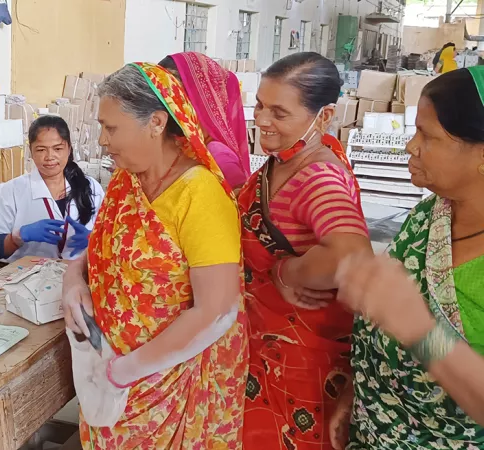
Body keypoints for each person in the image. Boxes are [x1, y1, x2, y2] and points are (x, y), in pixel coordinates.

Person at [62, 63, 247, 449]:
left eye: (111, 128)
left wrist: (124, 372)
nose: (101, 140)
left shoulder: (200, 195)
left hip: (170, 387)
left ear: (157, 123)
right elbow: (100, 248)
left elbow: (217, 311)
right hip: (110, 375)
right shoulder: (127, 182)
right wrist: (73, 280)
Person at [330, 67, 484, 449]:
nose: (410, 146)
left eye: (428, 136)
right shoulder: (428, 215)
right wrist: (357, 395)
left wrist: (420, 330)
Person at [238, 52, 372, 449]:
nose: (262, 120)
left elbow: (352, 256)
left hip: (300, 367)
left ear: (324, 116)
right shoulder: (283, 163)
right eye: (260, 105)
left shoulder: (318, 176)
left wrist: (286, 273)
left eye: (279, 112)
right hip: (265, 351)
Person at [0, 115, 105, 262]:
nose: (49, 157)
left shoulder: (91, 188)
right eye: (41, 150)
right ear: (31, 152)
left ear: (69, 149)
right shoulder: (12, 191)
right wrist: (17, 237)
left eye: (58, 148)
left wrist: (94, 239)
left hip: (80, 273)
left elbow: (112, 237)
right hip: (28, 276)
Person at [158, 52, 250, 189]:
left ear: (201, 100)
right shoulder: (178, 142)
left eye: (175, 94)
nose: (168, 102)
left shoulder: (219, 156)